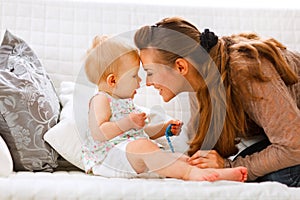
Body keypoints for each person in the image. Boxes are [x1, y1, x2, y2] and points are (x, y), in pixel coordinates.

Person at [134, 16, 300, 187]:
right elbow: (201, 150)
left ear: (181, 67)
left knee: (275, 176)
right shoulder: (198, 81)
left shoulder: (245, 70)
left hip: (296, 144)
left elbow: (295, 146)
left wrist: (230, 166)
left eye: (150, 71)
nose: (147, 82)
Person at [81, 35, 248, 182]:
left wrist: (163, 129)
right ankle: (189, 174)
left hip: (128, 151)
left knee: (177, 158)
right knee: (144, 147)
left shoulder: (125, 103)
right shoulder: (101, 100)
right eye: (134, 75)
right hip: (108, 158)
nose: (140, 81)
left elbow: (142, 132)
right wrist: (128, 122)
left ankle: (212, 173)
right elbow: (99, 132)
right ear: (112, 81)